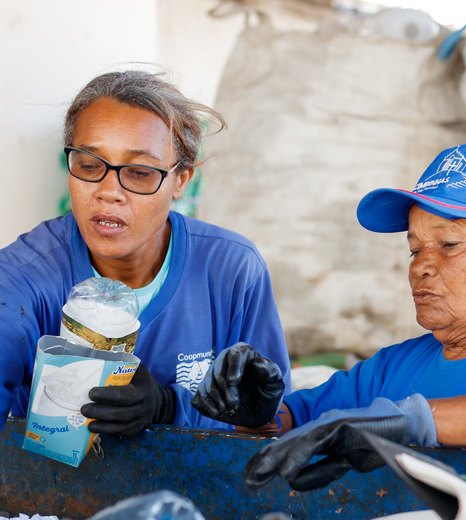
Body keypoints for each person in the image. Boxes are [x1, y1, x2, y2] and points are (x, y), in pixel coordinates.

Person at [192, 144, 466, 490]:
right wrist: (255, 409)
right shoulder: (392, 368)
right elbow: (293, 424)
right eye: (414, 249)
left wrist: (413, 423)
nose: (420, 267)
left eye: (449, 244)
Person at [0, 70, 290, 435]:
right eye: (89, 165)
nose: (108, 191)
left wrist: (168, 406)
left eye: (139, 172)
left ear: (181, 179)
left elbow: (272, 428)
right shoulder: (20, 278)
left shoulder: (230, 270)